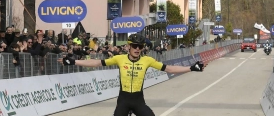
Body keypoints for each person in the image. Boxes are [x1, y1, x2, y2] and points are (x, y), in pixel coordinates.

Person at [58, 33, 205, 116]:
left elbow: (169, 69)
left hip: (138, 100)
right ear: (129, 46)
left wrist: (191, 68)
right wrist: (73, 62)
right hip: (123, 100)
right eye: (134, 46)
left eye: (139, 46)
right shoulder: (119, 58)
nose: (137, 49)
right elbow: (97, 63)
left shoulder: (147, 60)